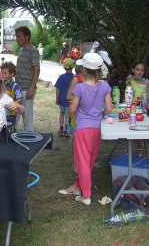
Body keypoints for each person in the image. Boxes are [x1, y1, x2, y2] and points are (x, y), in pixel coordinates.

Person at [58, 53, 112, 206]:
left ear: (84, 70)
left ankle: (86, 195)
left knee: (82, 161)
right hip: (96, 128)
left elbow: (73, 109)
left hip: (82, 128)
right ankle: (77, 186)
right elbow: (109, 108)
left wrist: (76, 110)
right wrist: (100, 114)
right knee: (88, 161)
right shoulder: (104, 86)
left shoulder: (80, 88)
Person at [14, 26, 40, 132]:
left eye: (19, 36)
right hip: (17, 88)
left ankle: (29, 138)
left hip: (27, 88)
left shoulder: (33, 51)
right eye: (16, 36)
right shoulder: (21, 50)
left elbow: (37, 70)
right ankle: (10, 136)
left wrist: (31, 88)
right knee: (14, 114)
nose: (17, 39)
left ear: (27, 37)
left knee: (27, 117)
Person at [126, 60, 149, 156]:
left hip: (143, 108)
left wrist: (147, 86)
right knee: (132, 127)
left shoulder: (146, 82)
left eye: (142, 70)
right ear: (133, 70)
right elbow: (128, 93)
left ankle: (139, 152)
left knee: (140, 130)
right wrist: (129, 81)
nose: (139, 72)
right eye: (137, 69)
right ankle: (134, 150)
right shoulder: (130, 81)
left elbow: (148, 95)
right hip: (132, 108)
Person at [55, 58, 75, 138]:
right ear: (73, 67)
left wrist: (57, 98)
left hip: (61, 99)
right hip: (69, 100)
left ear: (64, 67)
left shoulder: (62, 77)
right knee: (68, 115)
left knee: (61, 113)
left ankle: (61, 129)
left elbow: (58, 89)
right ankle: (66, 131)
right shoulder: (74, 78)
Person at [0, 61, 24, 126]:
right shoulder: (0, 84)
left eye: (5, 73)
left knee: (10, 129)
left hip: (10, 114)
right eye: (2, 73)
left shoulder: (14, 85)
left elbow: (20, 97)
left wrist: (13, 104)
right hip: (0, 112)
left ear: (12, 74)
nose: (2, 75)